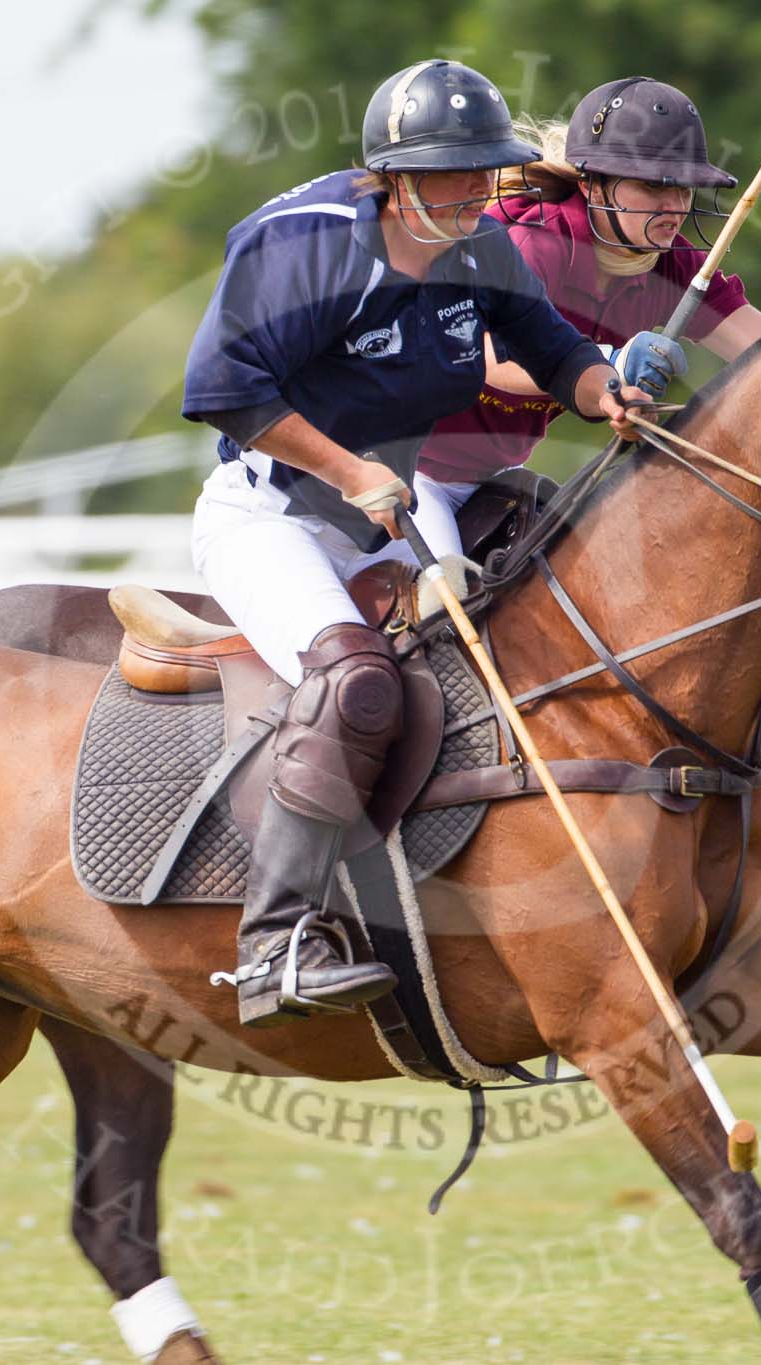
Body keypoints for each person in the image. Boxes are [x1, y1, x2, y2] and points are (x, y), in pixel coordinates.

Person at [181, 59, 672, 1028]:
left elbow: (553, 352)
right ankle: (275, 943)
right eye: (449, 174)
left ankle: (458, 908)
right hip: (273, 517)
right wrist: (346, 471)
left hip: (398, 512)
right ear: (393, 178)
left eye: (483, 170)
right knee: (355, 684)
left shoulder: (480, 250)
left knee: (500, 674)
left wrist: (602, 390)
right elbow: (224, 391)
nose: (472, 191)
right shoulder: (306, 247)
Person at [408, 77, 761, 559]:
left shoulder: (672, 265)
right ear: (591, 183)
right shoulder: (535, 243)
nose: (675, 206)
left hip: (491, 482)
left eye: (684, 188)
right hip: (402, 468)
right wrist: (611, 367)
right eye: (653, 185)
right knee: (450, 618)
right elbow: (479, 351)